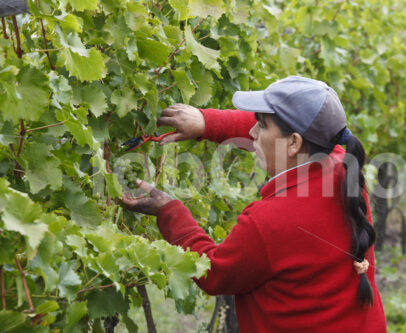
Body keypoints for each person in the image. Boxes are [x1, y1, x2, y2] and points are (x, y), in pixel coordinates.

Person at [122, 76, 387, 332]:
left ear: (294, 143)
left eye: (261, 126)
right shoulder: (343, 168)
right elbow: (288, 131)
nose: (251, 132)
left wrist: (169, 211)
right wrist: (206, 122)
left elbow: (214, 273)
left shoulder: (270, 222)